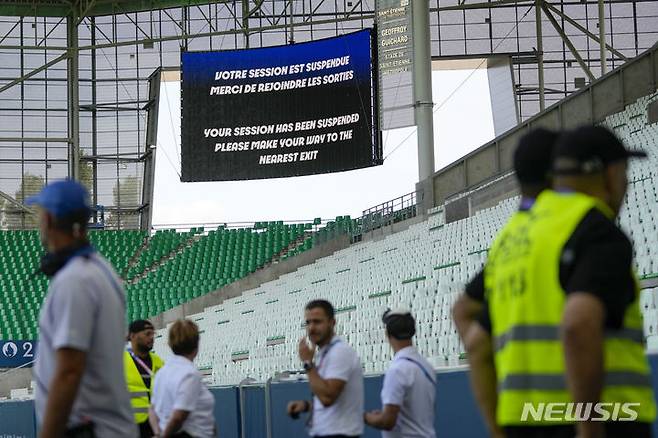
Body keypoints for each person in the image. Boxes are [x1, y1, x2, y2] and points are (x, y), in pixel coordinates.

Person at [470, 126, 656, 438]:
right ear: (609, 174)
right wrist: (589, 427)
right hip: (608, 419)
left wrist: (496, 429)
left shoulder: (512, 239)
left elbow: (476, 342)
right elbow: (578, 324)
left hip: (521, 423)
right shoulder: (594, 228)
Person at [452, 128, 558, 437]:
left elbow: (463, 314)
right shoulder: (568, 230)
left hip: (516, 411)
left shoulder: (507, 241)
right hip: (568, 412)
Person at [29, 179, 136, 438]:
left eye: (41, 215)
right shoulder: (100, 269)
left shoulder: (75, 280)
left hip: (89, 430)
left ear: (51, 220)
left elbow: (69, 371)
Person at [287, 299, 364, 438]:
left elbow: (328, 398)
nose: (311, 328)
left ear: (332, 322)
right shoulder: (325, 353)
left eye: (317, 322)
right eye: (308, 322)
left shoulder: (340, 352)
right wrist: (305, 406)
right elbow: (332, 400)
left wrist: (307, 364)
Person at [364, 309, 436, 438]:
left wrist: (365, 417)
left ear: (387, 333)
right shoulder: (426, 366)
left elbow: (387, 421)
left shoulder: (397, 370)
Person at [150, 319, 215, 438]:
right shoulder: (190, 374)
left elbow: (152, 410)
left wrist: (158, 433)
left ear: (170, 344)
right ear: (196, 345)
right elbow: (179, 416)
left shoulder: (162, 372)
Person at [125, 319, 165, 438]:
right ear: (132, 336)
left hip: (155, 426)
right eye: (147, 334)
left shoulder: (159, 362)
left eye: (153, 334)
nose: (152, 337)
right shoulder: (119, 361)